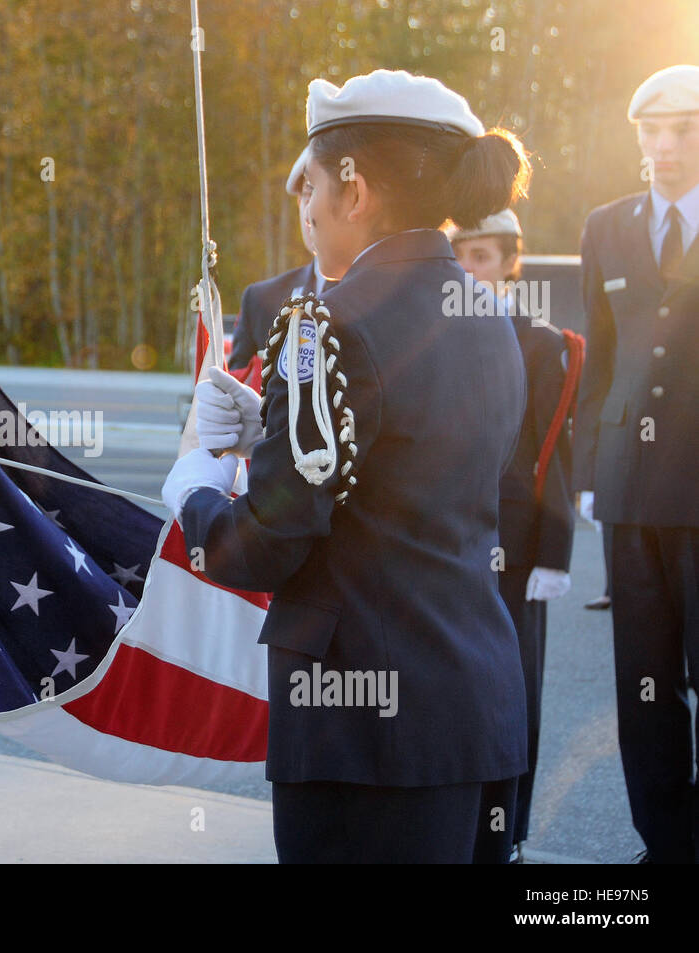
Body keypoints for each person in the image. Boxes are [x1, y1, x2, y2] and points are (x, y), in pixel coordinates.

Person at [163, 69, 531, 863]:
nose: (306, 205)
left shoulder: (320, 324)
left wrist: (195, 486)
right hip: (472, 708)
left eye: (313, 184)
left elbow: (263, 545)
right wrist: (279, 426)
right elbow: (415, 465)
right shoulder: (487, 314)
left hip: (365, 735)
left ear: (355, 188)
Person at [572, 63, 699, 864]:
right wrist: (589, 471)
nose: (666, 147)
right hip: (629, 485)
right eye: (653, 132)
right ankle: (668, 845)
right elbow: (601, 357)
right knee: (644, 681)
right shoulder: (607, 226)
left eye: (683, 131)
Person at [449, 209, 580, 863]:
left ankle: (505, 831)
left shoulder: (539, 341)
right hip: (442, 536)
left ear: (509, 263)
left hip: (515, 541)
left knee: (511, 689)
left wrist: (555, 550)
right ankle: (450, 823)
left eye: (483, 256)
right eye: (462, 255)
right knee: (447, 685)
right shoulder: (433, 334)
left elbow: (553, 448)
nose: (470, 268)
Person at [228, 146, 333, 373]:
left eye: (322, 192)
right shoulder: (261, 301)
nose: (310, 210)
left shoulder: (383, 299)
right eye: (307, 193)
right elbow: (237, 388)